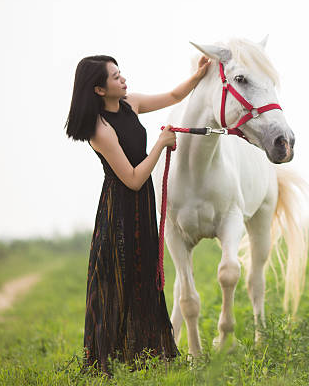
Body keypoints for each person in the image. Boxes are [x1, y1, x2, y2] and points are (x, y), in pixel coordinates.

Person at [64, 54, 211, 376]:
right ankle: (112, 361)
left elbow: (173, 96)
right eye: (115, 77)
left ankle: (145, 357)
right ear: (100, 90)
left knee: (145, 277)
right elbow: (131, 179)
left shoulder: (130, 104)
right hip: (120, 209)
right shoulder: (99, 129)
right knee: (120, 281)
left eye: (121, 74)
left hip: (142, 204)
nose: (123, 80)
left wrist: (200, 75)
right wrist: (160, 144)